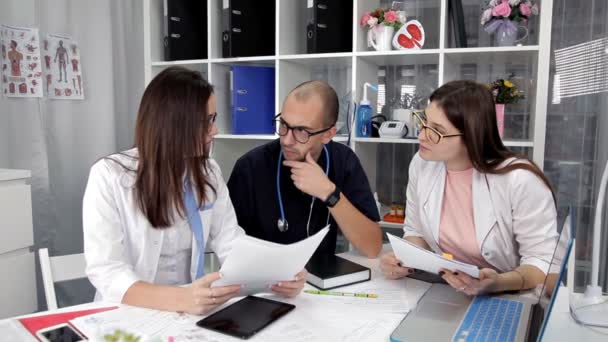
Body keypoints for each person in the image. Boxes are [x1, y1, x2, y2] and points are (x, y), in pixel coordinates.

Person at [83, 67, 305, 315]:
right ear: (174, 125)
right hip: (128, 314)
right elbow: (106, 270)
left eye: (214, 118)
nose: (215, 130)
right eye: (208, 121)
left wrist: (277, 274)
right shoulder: (109, 176)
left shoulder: (208, 172)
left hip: (188, 313)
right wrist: (181, 298)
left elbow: (231, 242)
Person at [380, 80, 559, 296]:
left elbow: (542, 261)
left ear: (472, 136)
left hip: (508, 295)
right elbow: (415, 231)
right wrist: (404, 260)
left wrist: (496, 283)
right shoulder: (422, 163)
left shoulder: (520, 179)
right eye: (423, 122)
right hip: (448, 290)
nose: (421, 135)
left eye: (436, 131)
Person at [227, 80, 382, 258]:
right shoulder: (250, 168)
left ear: (328, 135)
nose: (286, 140)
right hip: (262, 281)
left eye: (301, 131)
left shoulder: (343, 161)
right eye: (284, 125)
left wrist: (328, 193)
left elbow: (372, 246)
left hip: (320, 281)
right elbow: (230, 248)